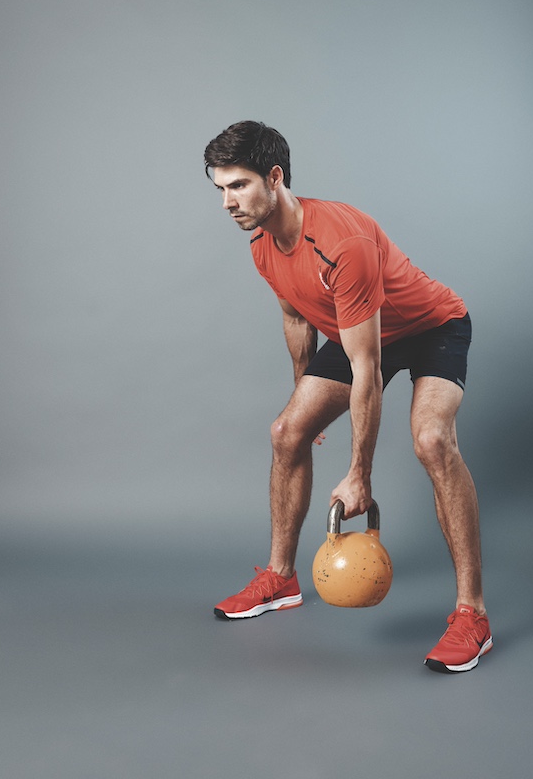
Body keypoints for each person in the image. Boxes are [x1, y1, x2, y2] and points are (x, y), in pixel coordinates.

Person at [203, 120, 492, 673]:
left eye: (237, 185)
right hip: (358, 330)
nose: (226, 202)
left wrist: (360, 473)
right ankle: (279, 579)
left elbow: (368, 366)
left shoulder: (343, 242)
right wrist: (303, 398)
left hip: (431, 327)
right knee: (287, 431)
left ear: (275, 177)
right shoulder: (262, 245)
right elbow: (295, 314)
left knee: (432, 441)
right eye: (219, 188)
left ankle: (471, 615)